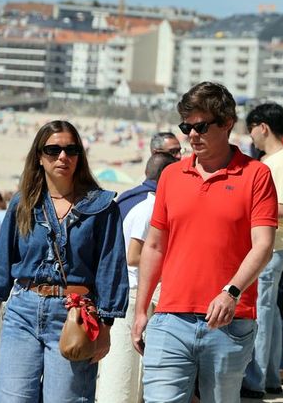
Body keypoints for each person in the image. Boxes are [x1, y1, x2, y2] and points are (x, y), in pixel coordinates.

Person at [131, 81, 278, 403]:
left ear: (226, 123)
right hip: (170, 319)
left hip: (230, 322)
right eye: (186, 127)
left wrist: (231, 292)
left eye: (201, 126)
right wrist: (142, 311)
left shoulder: (257, 175)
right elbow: (154, 246)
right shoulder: (171, 176)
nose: (192, 135)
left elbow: (263, 245)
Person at [0, 120, 129, 402]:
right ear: (39, 156)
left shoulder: (102, 207)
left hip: (74, 316)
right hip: (22, 312)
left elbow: (111, 268)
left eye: (71, 150)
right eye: (53, 150)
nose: (63, 157)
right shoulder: (23, 203)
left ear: (79, 156)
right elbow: (1, 263)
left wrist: (106, 329)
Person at [97, 152, 177, 403]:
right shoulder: (148, 209)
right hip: (132, 291)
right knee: (122, 371)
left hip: (137, 290)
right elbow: (133, 256)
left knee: (134, 369)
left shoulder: (146, 204)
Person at [241, 103, 283, 398]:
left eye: (251, 129)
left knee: (262, 314)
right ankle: (270, 375)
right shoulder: (272, 160)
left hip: (272, 247)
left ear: (262, 126)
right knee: (271, 313)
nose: (250, 136)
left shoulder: (282, 162)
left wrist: (247, 207)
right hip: (274, 246)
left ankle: (257, 380)